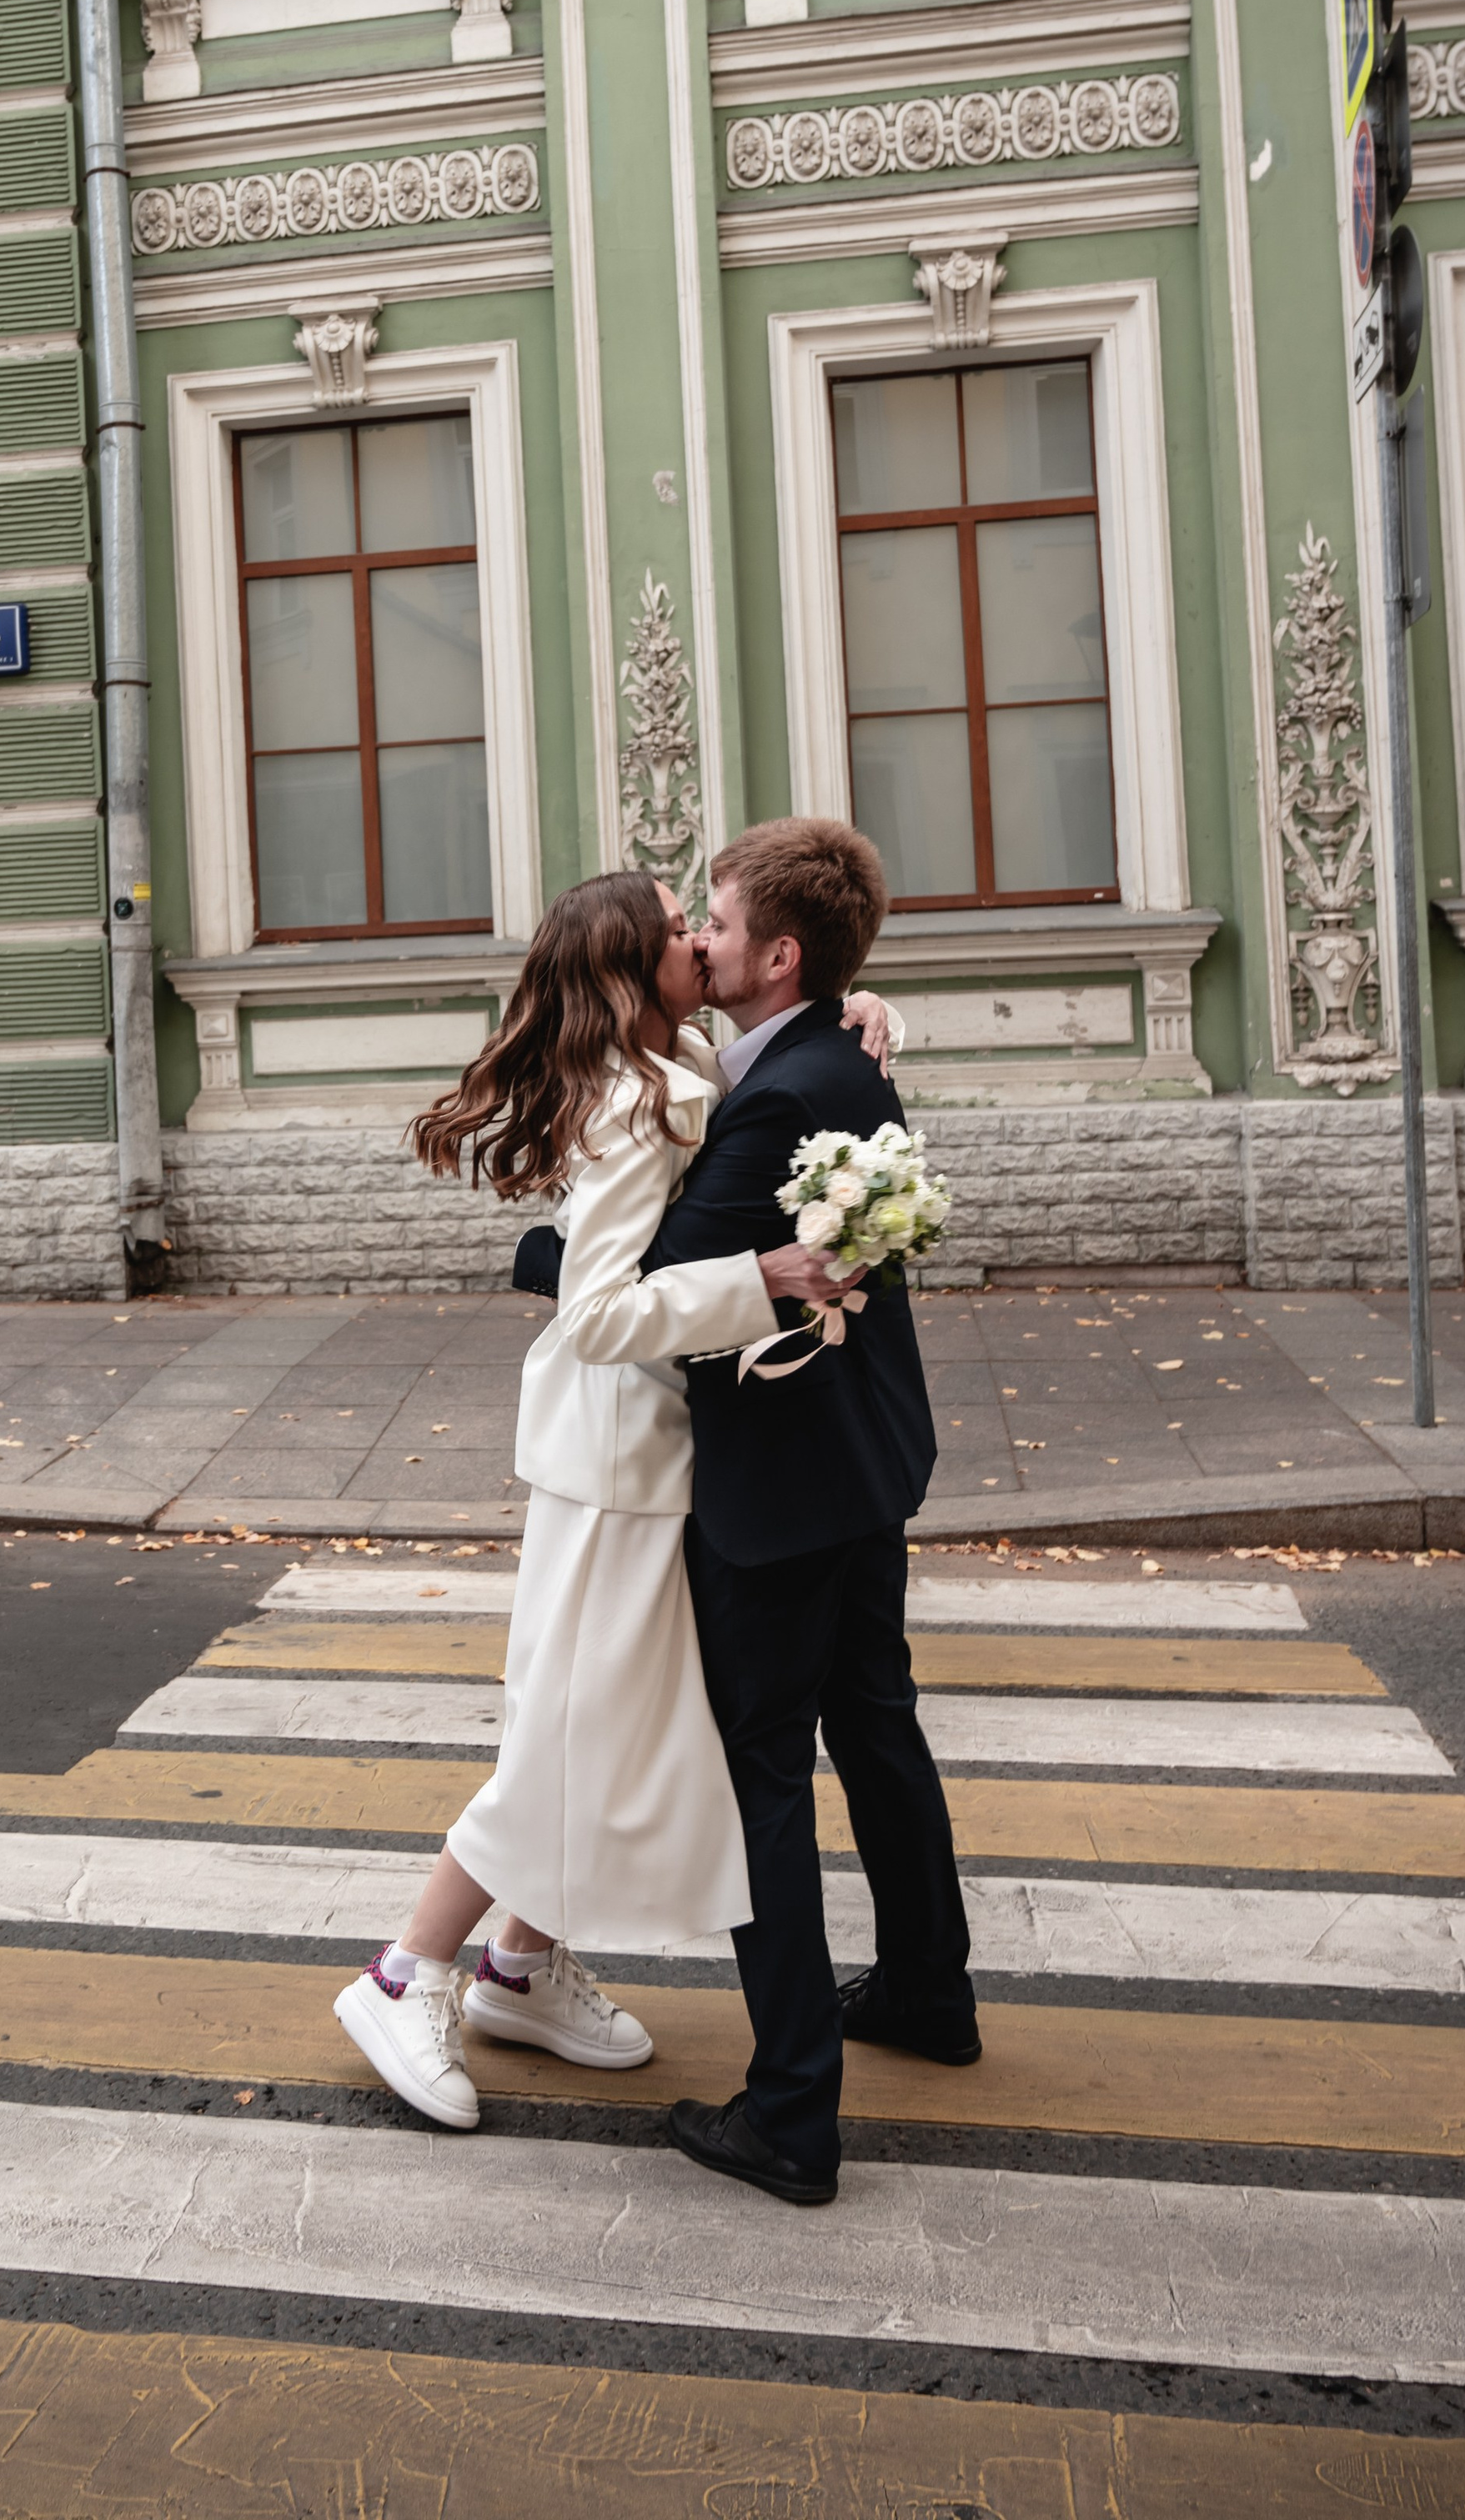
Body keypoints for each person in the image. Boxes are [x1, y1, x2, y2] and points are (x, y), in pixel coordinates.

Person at [329, 867, 896, 2130]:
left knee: (630, 1728)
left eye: (712, 922)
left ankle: (520, 1968)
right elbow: (596, 1316)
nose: (704, 938)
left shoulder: (678, 1063)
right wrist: (762, 1274)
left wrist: (863, 1010)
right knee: (565, 1734)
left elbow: (776, 1047)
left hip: (658, 1463)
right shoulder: (634, 1106)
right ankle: (401, 1973)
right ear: (639, 973)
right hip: (614, 1467)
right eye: (680, 929)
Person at [521, 817, 976, 2207]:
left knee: (765, 1775)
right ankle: (924, 1992)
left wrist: (542, 1249)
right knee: (876, 1723)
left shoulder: (781, 1085)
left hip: (777, 1490)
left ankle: (791, 2115)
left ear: (776, 954)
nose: (698, 941)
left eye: (711, 922)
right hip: (869, 1462)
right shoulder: (831, 1053)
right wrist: (860, 1000)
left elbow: (648, 1272)